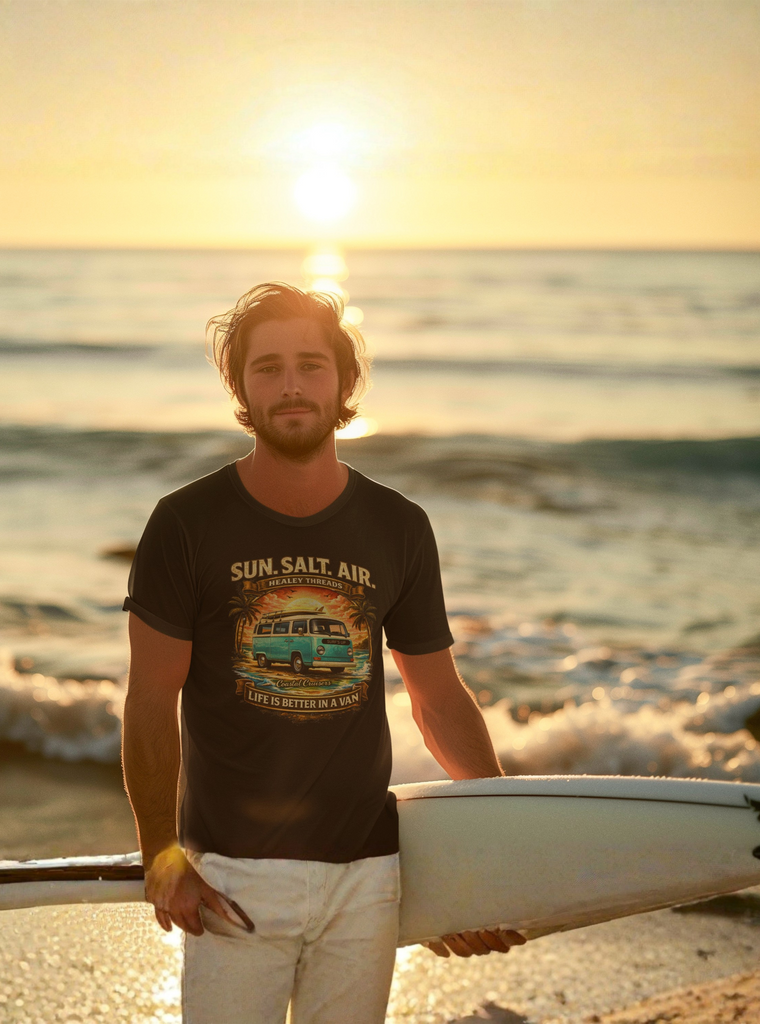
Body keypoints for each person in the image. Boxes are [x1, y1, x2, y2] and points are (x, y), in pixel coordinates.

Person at [121, 282, 524, 1024]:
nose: (292, 385)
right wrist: (160, 857)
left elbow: (438, 699)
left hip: (366, 875)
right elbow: (149, 701)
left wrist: (493, 847)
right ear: (240, 387)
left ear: (345, 382)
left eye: (311, 364)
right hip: (231, 879)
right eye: (267, 368)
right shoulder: (185, 523)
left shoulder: (398, 525)